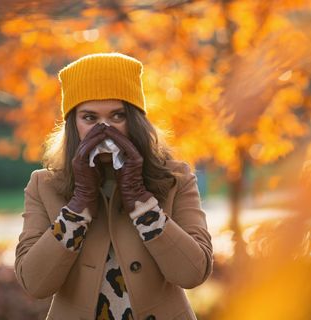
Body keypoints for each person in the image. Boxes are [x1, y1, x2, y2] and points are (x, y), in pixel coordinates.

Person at [15, 53, 213, 320]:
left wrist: (141, 202)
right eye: (90, 118)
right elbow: (35, 284)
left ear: (135, 121)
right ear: (73, 123)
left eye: (117, 115)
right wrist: (79, 205)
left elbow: (193, 274)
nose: (104, 129)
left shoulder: (176, 178)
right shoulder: (44, 185)